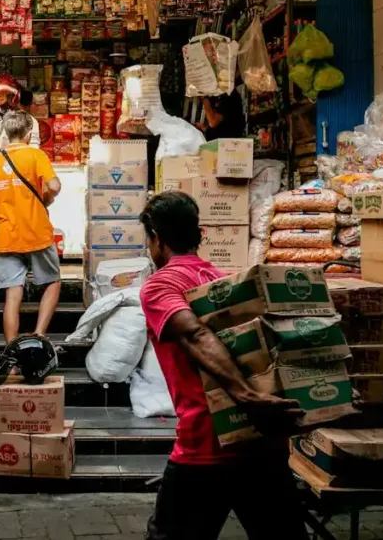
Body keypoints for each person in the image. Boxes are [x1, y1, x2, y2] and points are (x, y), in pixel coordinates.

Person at [138, 191, 308, 540]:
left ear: (156, 239)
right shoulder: (225, 282)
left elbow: (195, 334)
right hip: (261, 442)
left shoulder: (161, 285)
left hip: (206, 446)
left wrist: (246, 396)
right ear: (199, 235)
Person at [0, 111, 62, 342]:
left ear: (6, 133)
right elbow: (54, 186)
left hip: (7, 236)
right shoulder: (36, 155)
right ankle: (38, 335)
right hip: (37, 232)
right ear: (28, 133)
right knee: (52, 281)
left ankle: (12, 353)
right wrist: (45, 198)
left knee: (12, 295)